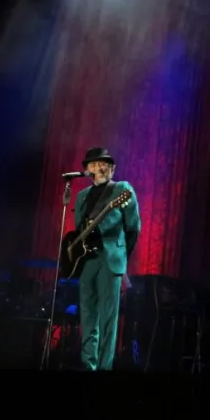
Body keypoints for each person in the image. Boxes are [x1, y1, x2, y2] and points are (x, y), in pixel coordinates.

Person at [74, 146, 141, 371]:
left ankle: (104, 367)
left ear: (112, 169)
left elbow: (133, 227)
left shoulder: (121, 189)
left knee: (108, 318)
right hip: (87, 261)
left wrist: (122, 256)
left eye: (103, 164)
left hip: (111, 259)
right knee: (88, 314)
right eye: (92, 164)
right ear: (87, 170)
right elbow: (78, 229)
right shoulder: (81, 196)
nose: (98, 168)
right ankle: (88, 364)